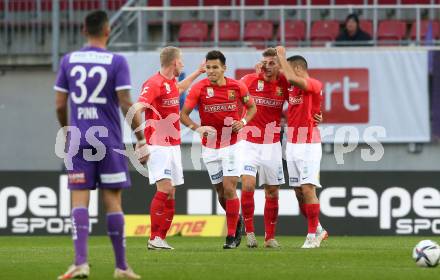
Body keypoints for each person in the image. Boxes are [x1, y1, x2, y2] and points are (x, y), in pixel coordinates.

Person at [55, 10, 142, 279]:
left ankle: (80, 262)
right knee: (112, 201)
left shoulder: (69, 60)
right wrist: (142, 138)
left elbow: (59, 104)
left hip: (79, 139)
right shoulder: (116, 61)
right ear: (107, 31)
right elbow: (126, 101)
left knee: (79, 201)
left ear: (84, 31)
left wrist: (67, 131)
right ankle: (121, 267)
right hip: (109, 140)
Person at [180, 50, 257, 249]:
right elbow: (184, 115)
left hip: (233, 144)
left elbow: (252, 108)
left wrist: (242, 121)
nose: (211, 71)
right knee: (221, 193)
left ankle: (231, 236)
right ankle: (236, 219)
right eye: (208, 67)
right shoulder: (199, 88)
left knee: (230, 188)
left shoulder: (237, 86)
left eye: (215, 67)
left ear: (224, 68)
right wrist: (198, 128)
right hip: (210, 147)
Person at [133, 46, 205, 250]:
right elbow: (138, 108)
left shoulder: (170, 82)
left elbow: (179, 89)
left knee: (171, 192)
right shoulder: (153, 83)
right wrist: (140, 141)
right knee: (164, 188)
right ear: (174, 62)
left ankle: (160, 239)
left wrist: (198, 73)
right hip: (157, 144)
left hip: (172, 144)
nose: (182, 63)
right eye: (181, 60)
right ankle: (154, 238)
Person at [276, 46, 328, 249]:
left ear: (297, 69)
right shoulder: (292, 89)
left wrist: (281, 55)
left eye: (287, 68)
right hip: (292, 144)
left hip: (309, 144)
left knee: (308, 188)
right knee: (298, 191)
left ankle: (310, 237)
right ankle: (319, 229)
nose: (285, 72)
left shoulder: (314, 84)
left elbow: (291, 79)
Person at [239, 48, 289, 248]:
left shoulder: (284, 84)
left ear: (278, 65)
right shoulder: (249, 80)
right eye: (264, 62)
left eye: (272, 63)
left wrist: (315, 114)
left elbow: (301, 97)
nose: (267, 67)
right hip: (248, 141)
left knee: (272, 191)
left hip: (271, 143)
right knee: (248, 185)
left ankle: (270, 237)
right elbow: (230, 95)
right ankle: (250, 232)